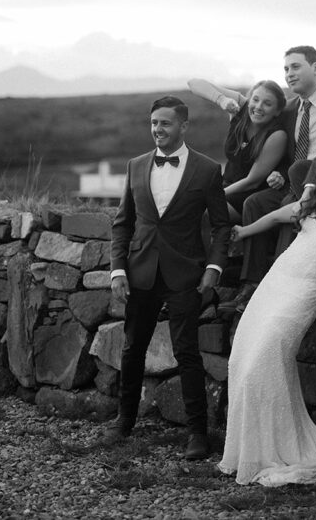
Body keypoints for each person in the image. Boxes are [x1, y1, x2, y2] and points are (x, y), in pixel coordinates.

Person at [218, 142, 316, 486]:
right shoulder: (310, 208)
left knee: (263, 362)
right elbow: (273, 217)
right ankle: (250, 452)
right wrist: (243, 231)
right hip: (273, 285)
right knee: (240, 360)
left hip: (301, 296)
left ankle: (280, 449)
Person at [104, 95, 231, 460]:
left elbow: (222, 227)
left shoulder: (207, 170)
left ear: (183, 126)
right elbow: (122, 224)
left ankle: (197, 434)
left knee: (187, 352)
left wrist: (213, 268)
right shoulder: (135, 165)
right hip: (140, 272)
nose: (157, 129)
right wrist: (117, 270)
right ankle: (124, 421)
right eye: (154, 123)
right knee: (132, 348)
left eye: (165, 123)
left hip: (185, 274)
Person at [219, 45, 316, 317]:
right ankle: (250, 285)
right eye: (286, 69)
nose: (289, 74)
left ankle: (278, 289)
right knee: (255, 202)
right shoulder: (288, 110)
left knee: (285, 205)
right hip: (293, 181)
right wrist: (281, 173)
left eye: (295, 67)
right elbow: (288, 154)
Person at [187, 78, 288, 220]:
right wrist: (222, 100)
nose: (258, 106)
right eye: (255, 99)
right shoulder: (241, 107)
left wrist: (214, 195)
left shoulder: (277, 135)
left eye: (267, 104)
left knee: (194, 211)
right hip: (224, 185)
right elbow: (193, 83)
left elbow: (252, 182)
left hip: (244, 196)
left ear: (277, 111)